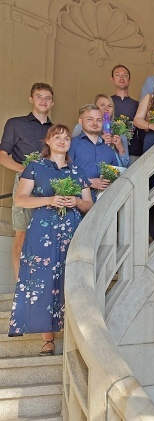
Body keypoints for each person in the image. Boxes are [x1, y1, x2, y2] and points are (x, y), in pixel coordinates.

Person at [8, 124, 93, 356]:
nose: (62, 141)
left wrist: (75, 202)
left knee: (71, 278)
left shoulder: (77, 171)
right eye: (57, 137)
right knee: (43, 279)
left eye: (66, 138)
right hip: (42, 231)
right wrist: (49, 200)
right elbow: (21, 200)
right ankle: (47, 340)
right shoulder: (35, 167)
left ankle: (74, 335)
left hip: (72, 231)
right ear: (48, 141)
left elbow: (89, 205)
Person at [0, 83, 54, 283]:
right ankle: (21, 284)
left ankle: (42, 284)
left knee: (46, 236)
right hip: (24, 182)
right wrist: (26, 170)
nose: (43, 100)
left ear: (52, 102)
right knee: (21, 235)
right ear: (31, 99)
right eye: (39, 96)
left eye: (47, 97)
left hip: (50, 185)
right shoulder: (16, 123)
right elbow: (2, 156)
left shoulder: (55, 130)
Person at [68, 105, 126, 201]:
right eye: (90, 119)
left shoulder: (109, 149)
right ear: (80, 121)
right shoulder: (72, 144)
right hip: (77, 204)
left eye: (99, 120)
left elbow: (117, 177)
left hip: (104, 204)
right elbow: (62, 174)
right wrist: (89, 182)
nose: (95, 123)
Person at [72, 94, 129, 167]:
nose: (106, 109)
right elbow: (75, 155)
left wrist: (120, 148)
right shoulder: (81, 126)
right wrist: (99, 141)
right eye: (102, 105)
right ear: (94, 107)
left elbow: (126, 164)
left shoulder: (119, 130)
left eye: (110, 106)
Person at [109, 65, 139, 140]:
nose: (121, 78)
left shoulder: (137, 105)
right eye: (117, 75)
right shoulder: (107, 103)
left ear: (130, 80)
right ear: (112, 79)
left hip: (133, 146)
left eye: (125, 75)